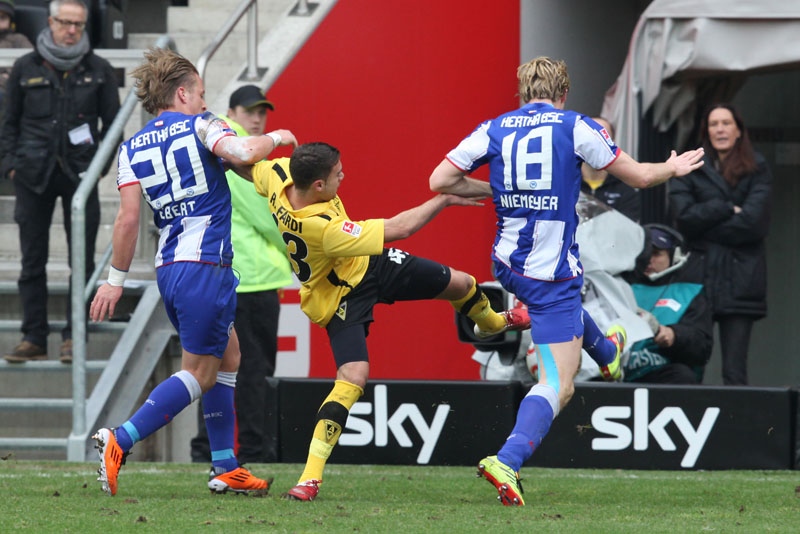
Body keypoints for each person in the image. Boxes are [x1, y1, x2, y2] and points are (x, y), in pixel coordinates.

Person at [429, 56, 704, 505]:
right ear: (563, 93)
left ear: (522, 93)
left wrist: (495, 191)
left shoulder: (494, 128)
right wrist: (671, 168)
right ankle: (507, 459)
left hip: (508, 264)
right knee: (560, 384)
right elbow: (639, 176)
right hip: (549, 275)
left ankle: (606, 351)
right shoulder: (576, 126)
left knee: (573, 293)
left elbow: (440, 180)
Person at [236, 141, 529, 502]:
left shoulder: (279, 174)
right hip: (341, 295)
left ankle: (493, 324)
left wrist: (218, 150)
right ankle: (309, 478)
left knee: (463, 284)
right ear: (318, 185)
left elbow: (246, 165)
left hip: (368, 265)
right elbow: (400, 228)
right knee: (353, 377)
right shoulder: (322, 228)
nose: (343, 176)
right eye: (337, 173)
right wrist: (443, 200)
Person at [88, 47, 297, 497]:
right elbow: (243, 149)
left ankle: (225, 466)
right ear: (182, 94)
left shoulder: (130, 148)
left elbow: (127, 220)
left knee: (229, 356)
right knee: (200, 373)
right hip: (206, 265)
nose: (205, 101)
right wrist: (279, 136)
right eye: (201, 93)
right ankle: (120, 438)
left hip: (170, 268)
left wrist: (114, 281)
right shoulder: (203, 124)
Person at [1, 0, 119, 364]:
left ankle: (74, 336)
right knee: (32, 261)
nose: (71, 30)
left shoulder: (99, 69)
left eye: (78, 24)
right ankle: (33, 337)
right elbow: (8, 123)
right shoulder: (25, 67)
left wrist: (99, 168)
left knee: (81, 262)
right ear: (50, 22)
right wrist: (11, 167)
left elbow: (114, 126)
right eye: (65, 23)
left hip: (80, 177)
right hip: (31, 176)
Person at [190, 85, 292, 464]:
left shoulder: (215, 143)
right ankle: (252, 449)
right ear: (231, 112)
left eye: (262, 112)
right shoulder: (235, 149)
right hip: (251, 280)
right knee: (253, 371)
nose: (257, 118)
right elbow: (268, 217)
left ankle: (206, 449)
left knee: (211, 368)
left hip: (222, 277)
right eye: (250, 111)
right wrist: (303, 248)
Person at [669, 103, 771, 386]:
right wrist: (725, 208)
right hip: (698, 278)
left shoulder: (758, 167)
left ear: (738, 130)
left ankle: (736, 417)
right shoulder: (691, 166)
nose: (720, 129)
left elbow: (754, 224)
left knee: (734, 371)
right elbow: (683, 219)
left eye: (726, 123)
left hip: (740, 281)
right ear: (706, 131)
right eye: (714, 124)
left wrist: (704, 224)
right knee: (689, 365)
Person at [623, 224, 712, 384]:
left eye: (656, 253)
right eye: (644, 253)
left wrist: (674, 335)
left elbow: (702, 347)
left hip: (661, 374)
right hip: (616, 373)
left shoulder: (690, 293)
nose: (648, 259)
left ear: (675, 256)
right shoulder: (620, 287)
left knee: (682, 376)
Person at [580, 117, 641, 222]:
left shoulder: (625, 190)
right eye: (589, 137)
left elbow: (627, 229)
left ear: (612, 144)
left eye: (602, 137)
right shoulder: (564, 185)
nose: (594, 144)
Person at [0, 0, 33, 114]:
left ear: (10, 21)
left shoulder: (18, 40)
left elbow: (31, 63)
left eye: (3, 17)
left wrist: (8, 76)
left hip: (9, 90)